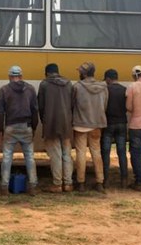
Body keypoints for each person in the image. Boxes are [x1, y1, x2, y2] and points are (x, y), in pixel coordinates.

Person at [0, 66, 39, 196]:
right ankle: (32, 186)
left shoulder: (4, 90)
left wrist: (0, 128)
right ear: (21, 76)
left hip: (10, 126)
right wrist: (34, 127)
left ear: (10, 76)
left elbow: (0, 111)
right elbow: (34, 110)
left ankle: (4, 186)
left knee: (7, 157)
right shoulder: (30, 89)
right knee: (30, 158)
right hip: (26, 126)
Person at [71, 62, 108, 193]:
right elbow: (105, 105)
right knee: (96, 152)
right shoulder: (103, 87)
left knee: (81, 153)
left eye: (80, 71)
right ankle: (99, 182)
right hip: (97, 124)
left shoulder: (76, 87)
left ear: (84, 73)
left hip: (80, 124)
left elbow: (72, 104)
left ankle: (80, 183)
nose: (79, 73)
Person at [37, 63, 74, 193]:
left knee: (56, 155)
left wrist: (44, 121)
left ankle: (57, 184)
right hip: (66, 124)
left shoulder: (44, 84)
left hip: (51, 124)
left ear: (46, 73)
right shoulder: (69, 84)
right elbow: (73, 104)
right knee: (66, 154)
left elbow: (40, 106)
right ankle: (68, 183)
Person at [100, 69, 129, 189]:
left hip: (109, 124)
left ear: (108, 79)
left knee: (105, 153)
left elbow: (103, 107)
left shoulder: (106, 89)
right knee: (121, 152)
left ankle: (106, 180)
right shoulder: (124, 90)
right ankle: (124, 180)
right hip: (122, 123)